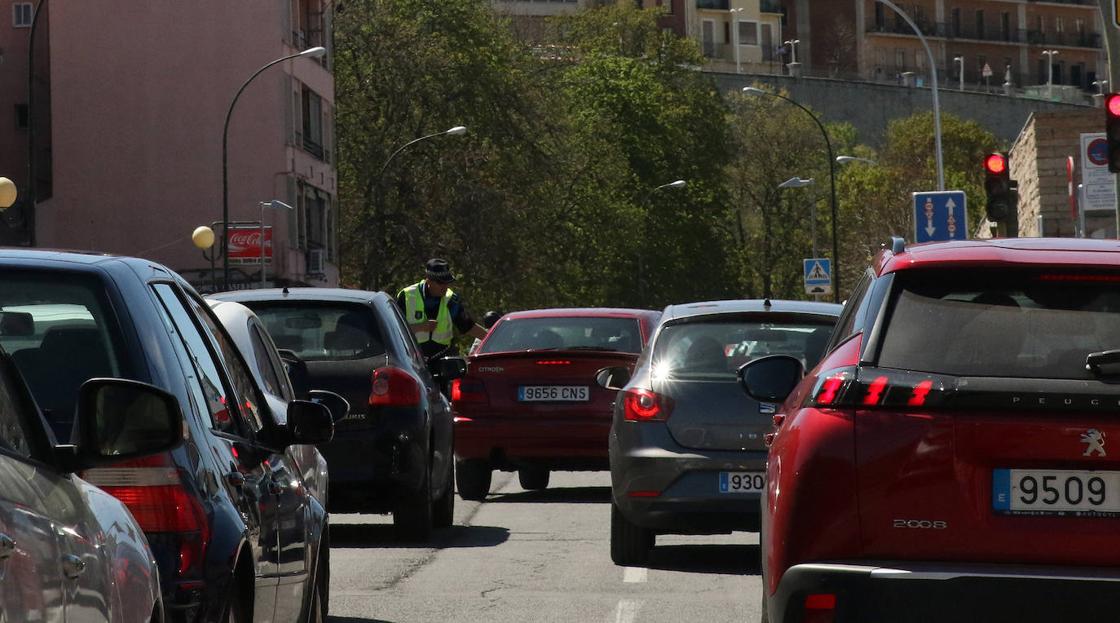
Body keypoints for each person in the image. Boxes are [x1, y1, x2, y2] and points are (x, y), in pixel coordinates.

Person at [397, 258, 488, 359]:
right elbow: (394, 330)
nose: (445, 287)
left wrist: (494, 340)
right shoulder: (406, 296)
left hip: (442, 359)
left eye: (447, 282)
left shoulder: (451, 300)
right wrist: (421, 327)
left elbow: (468, 326)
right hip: (411, 359)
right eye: (440, 283)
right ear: (428, 280)